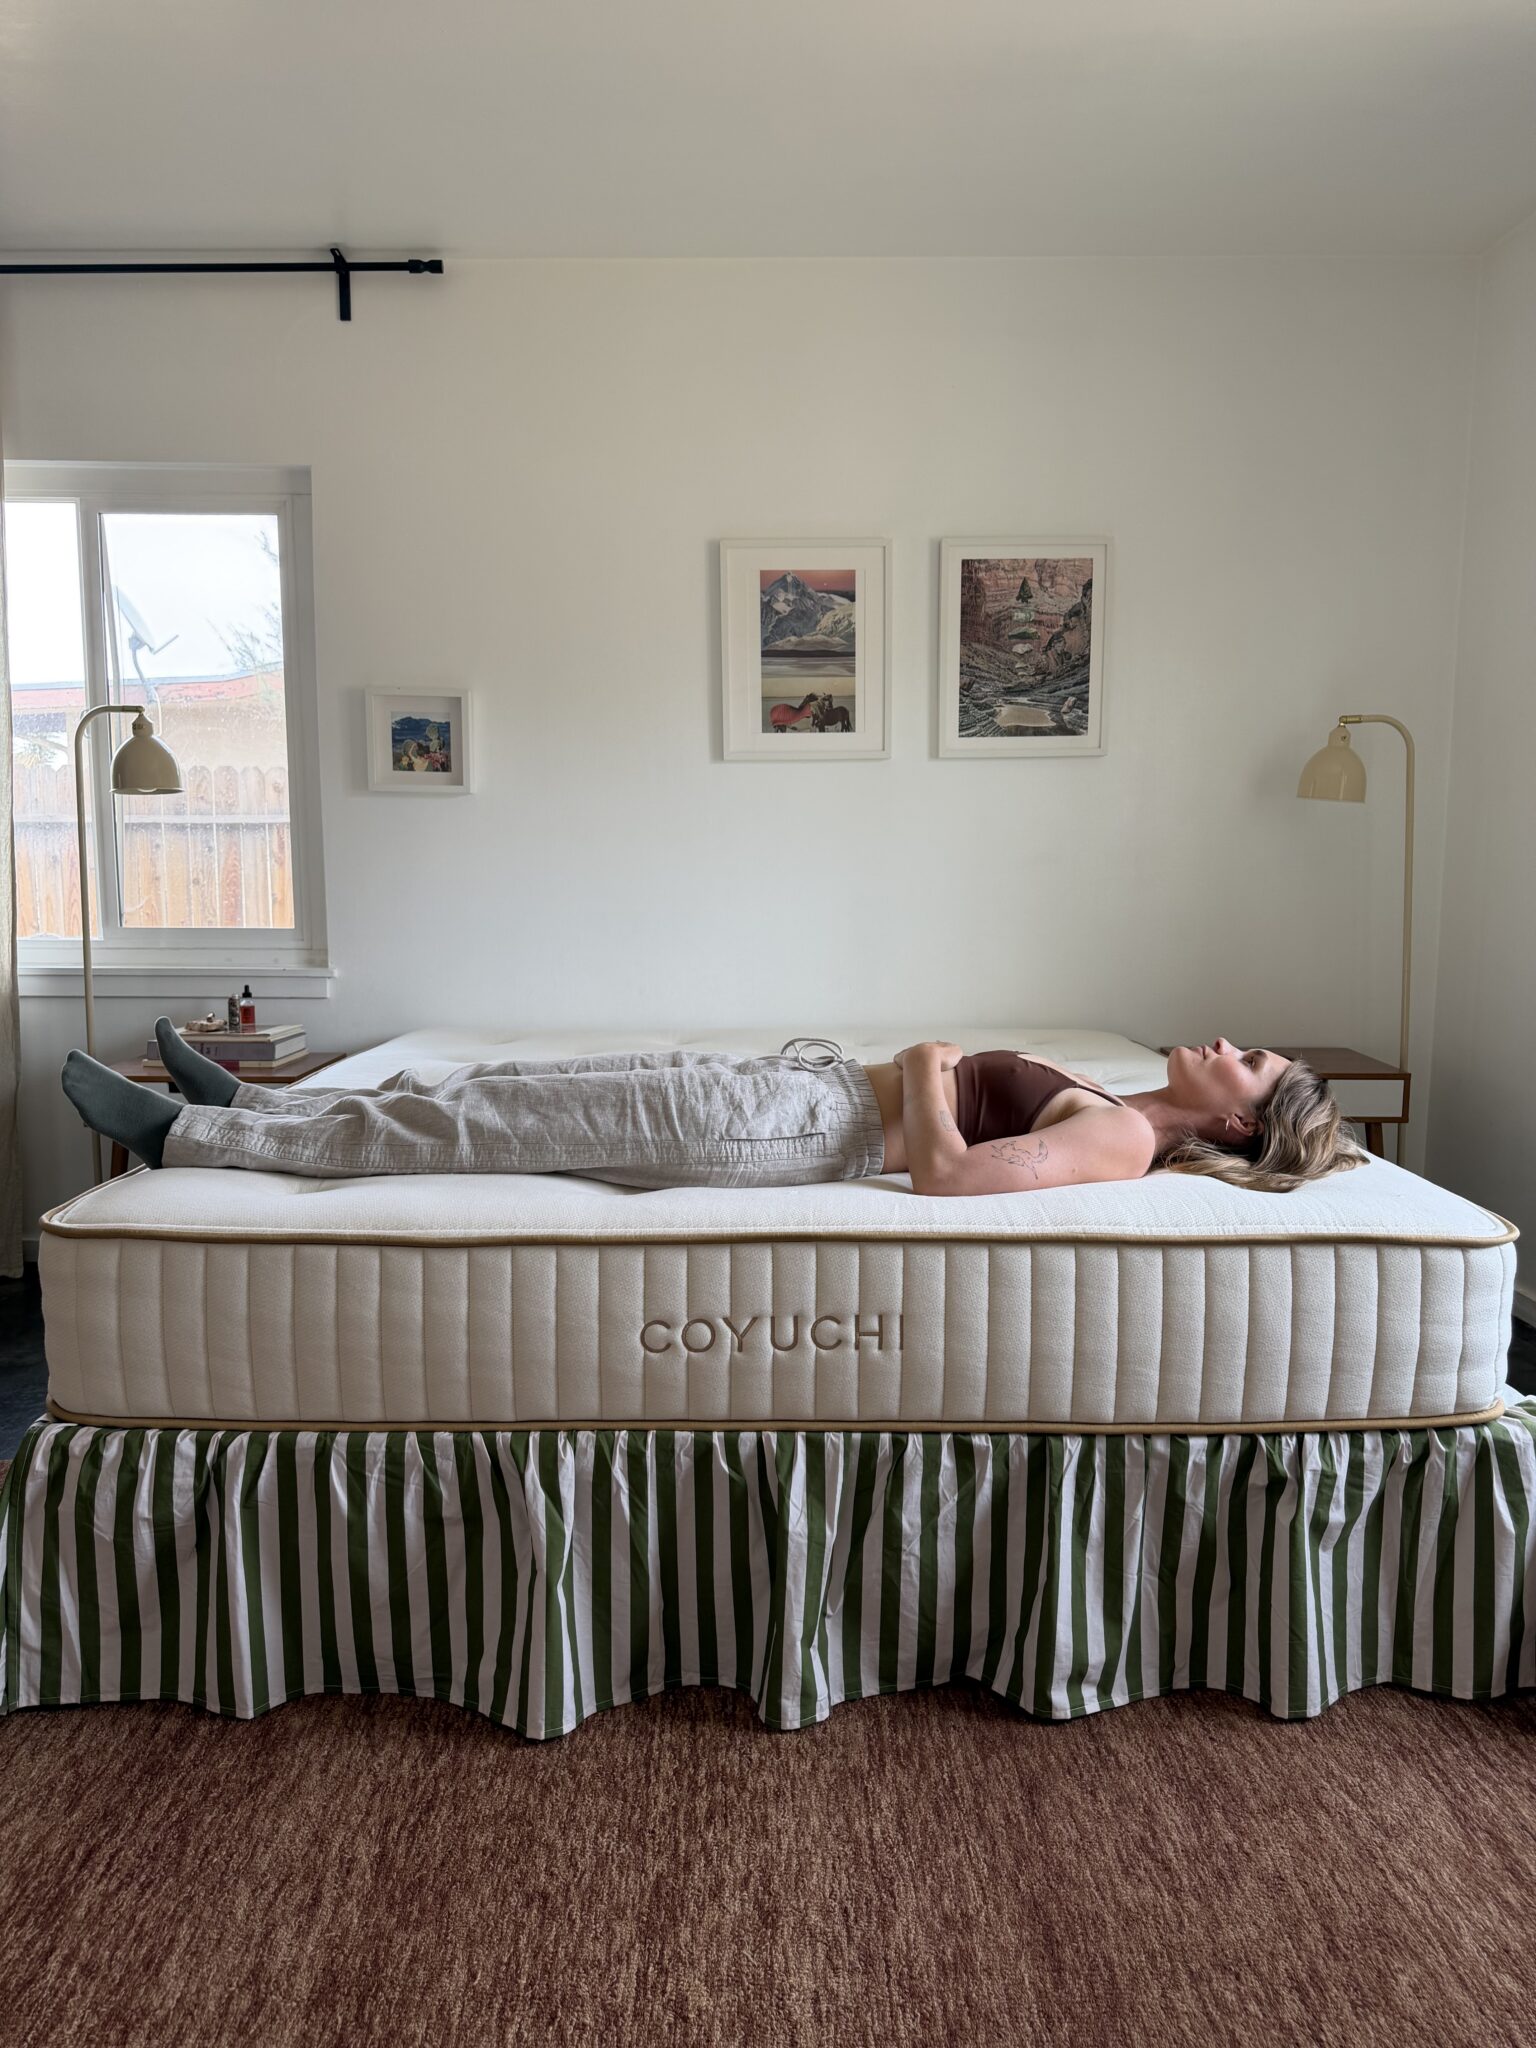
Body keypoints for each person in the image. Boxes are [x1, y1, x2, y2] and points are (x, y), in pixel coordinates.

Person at [60, 1023, 1365, 1196]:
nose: (1229, 1044)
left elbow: (951, 1181)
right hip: (788, 1092)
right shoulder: (1124, 1098)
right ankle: (259, 1100)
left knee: (482, 1128)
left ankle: (187, 1135)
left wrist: (925, 1065)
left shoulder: (1125, 1137)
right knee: (498, 1086)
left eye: (1249, 1064)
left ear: (1239, 1125)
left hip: (787, 1135)